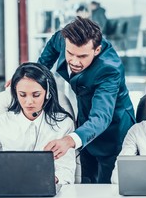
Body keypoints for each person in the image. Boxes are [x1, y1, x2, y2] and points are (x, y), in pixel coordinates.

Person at [38, 16, 136, 183]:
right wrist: (33, 76)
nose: (74, 61)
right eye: (70, 54)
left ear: (96, 50)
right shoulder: (65, 39)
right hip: (85, 120)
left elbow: (101, 117)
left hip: (113, 128)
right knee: (86, 182)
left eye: (82, 56)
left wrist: (69, 140)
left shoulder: (109, 70)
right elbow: (53, 45)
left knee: (108, 189)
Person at [0, 62, 76, 185]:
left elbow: (66, 170)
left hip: (48, 192)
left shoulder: (63, 124)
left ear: (47, 93)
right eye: (22, 95)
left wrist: (54, 180)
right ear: (15, 93)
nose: (29, 102)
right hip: (8, 188)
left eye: (36, 95)